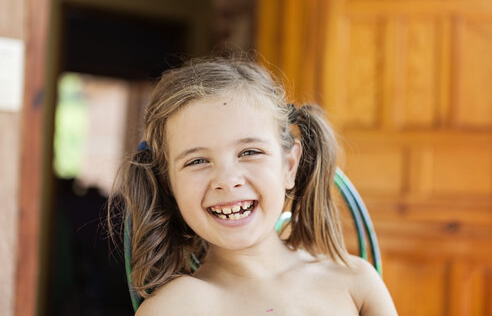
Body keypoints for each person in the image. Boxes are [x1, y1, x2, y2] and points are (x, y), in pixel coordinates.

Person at [110, 57, 397, 315]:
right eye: (197, 161)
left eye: (249, 152)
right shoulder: (174, 308)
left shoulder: (355, 281)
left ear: (289, 166)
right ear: (168, 184)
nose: (227, 179)